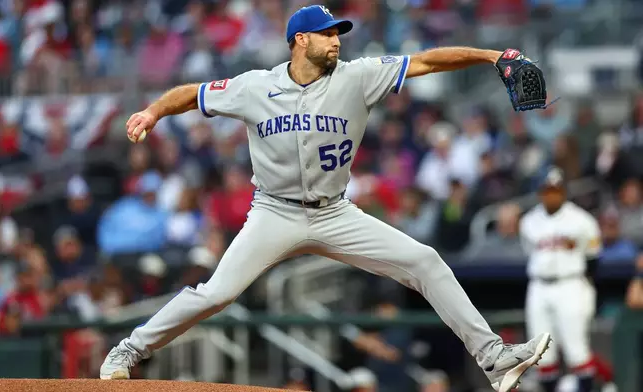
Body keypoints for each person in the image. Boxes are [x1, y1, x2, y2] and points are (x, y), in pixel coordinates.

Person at [100, 5, 551, 391]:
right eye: (328, 34)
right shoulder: (255, 85)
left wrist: (492, 55)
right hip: (274, 212)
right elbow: (193, 94)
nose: (337, 41)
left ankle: (495, 358)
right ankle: (128, 349)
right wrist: (154, 110)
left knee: (425, 261)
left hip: (335, 213)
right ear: (300, 40)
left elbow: (428, 62)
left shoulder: (358, 77)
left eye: (338, 33)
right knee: (216, 294)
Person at [519, 167, 601, 392]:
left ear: (564, 192)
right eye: (547, 191)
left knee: (577, 350)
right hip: (538, 286)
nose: (551, 195)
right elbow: (528, 252)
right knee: (542, 355)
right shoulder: (528, 222)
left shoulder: (582, 220)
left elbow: (593, 259)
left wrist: (587, 292)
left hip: (571, 284)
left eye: (555, 190)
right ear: (540, 193)